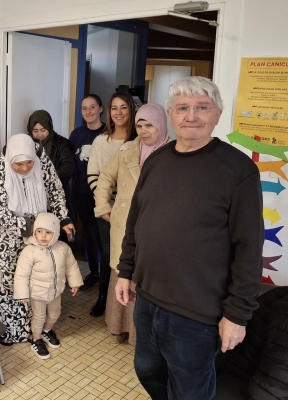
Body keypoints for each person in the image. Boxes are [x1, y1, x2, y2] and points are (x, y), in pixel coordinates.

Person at [115, 76, 264, 399]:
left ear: (218, 115)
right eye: (183, 108)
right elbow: (136, 220)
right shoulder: (157, 160)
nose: (191, 116)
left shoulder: (237, 171)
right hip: (150, 298)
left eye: (202, 108)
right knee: (147, 370)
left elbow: (249, 249)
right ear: (171, 113)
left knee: (191, 390)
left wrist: (237, 315)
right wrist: (126, 271)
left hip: (197, 311)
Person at [0, 134, 75, 345]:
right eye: (18, 164)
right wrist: (27, 226)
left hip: (39, 238)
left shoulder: (42, 162)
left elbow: (55, 192)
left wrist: (63, 219)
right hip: (6, 239)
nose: (25, 168)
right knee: (10, 282)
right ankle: (8, 331)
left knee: (36, 280)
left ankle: (34, 329)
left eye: (29, 163)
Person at [94, 103, 171, 345]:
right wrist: (103, 207)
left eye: (150, 125)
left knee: (147, 274)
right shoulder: (127, 149)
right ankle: (119, 328)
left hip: (157, 225)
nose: (145, 130)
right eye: (140, 125)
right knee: (123, 270)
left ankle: (141, 336)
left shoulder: (173, 153)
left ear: (161, 124)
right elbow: (105, 177)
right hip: (125, 221)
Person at [85, 92, 137, 316]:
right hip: (107, 211)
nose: (118, 113)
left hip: (134, 210)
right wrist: (106, 207)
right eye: (114, 108)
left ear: (131, 111)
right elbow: (94, 176)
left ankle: (128, 308)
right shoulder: (100, 141)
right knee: (108, 255)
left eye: (123, 107)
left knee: (131, 255)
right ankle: (104, 298)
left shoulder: (139, 140)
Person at [13, 212, 83, 359]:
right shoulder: (30, 251)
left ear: (56, 232)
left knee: (55, 313)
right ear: (35, 232)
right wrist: (21, 294)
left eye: (48, 232)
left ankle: (46, 331)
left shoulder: (62, 248)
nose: (43, 236)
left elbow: (71, 266)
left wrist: (75, 282)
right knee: (38, 316)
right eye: (39, 231)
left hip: (56, 291)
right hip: (37, 293)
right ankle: (36, 339)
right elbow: (21, 274)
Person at [68, 94, 109, 301]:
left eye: (93, 107)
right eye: (84, 108)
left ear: (101, 109)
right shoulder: (76, 135)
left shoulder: (108, 133)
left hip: (104, 194)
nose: (88, 112)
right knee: (91, 233)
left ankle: (108, 278)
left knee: (106, 236)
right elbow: (70, 163)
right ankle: (94, 272)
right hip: (82, 192)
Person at [26, 110, 75, 229]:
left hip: (58, 196)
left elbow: (68, 169)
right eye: (35, 131)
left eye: (43, 130)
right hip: (35, 199)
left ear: (50, 127)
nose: (39, 135)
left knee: (59, 233)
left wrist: (44, 180)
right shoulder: (27, 145)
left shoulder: (63, 144)